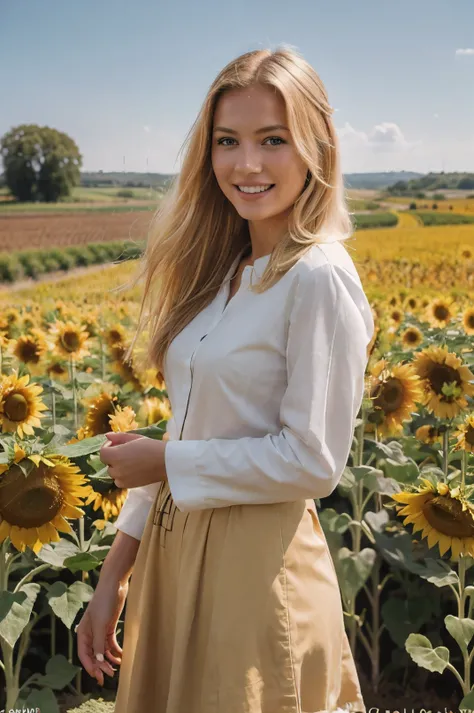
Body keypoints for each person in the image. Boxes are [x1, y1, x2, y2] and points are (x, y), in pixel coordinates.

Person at [76, 45, 374, 713]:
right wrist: (113, 576)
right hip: (174, 557)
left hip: (254, 568)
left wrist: (166, 460)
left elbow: (314, 460)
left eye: (274, 139)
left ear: (316, 147)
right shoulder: (228, 273)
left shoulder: (318, 278)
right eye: (227, 141)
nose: (247, 164)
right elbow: (186, 430)